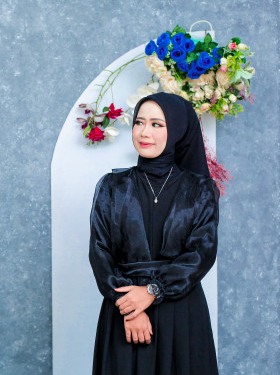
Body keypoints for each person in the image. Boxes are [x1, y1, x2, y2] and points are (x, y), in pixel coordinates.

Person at [89, 92, 219, 375]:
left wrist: (153, 291)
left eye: (157, 124)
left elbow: (202, 254)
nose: (144, 132)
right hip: (124, 313)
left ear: (178, 130)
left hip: (181, 314)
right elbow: (100, 253)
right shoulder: (111, 187)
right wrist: (131, 309)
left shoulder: (200, 190)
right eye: (139, 122)